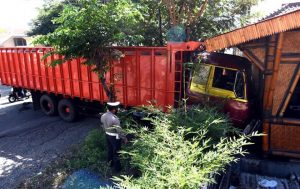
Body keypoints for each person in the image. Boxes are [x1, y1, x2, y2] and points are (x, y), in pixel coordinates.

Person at [101, 101, 127, 172]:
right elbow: (119, 131)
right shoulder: (114, 119)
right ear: (114, 109)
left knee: (110, 150)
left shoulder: (103, 116)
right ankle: (117, 169)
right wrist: (124, 138)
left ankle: (110, 164)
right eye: (117, 108)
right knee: (116, 152)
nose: (117, 109)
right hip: (115, 137)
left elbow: (103, 125)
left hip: (107, 135)